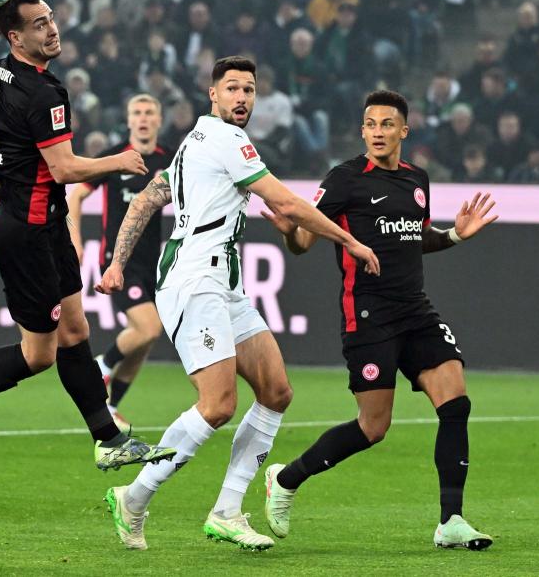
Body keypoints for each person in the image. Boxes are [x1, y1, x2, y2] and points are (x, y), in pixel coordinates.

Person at [95, 56, 380, 551]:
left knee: (276, 391)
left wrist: (118, 262)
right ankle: (134, 496)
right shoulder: (226, 140)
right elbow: (287, 204)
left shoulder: (192, 143)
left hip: (223, 284)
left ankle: (227, 510)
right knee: (218, 404)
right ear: (213, 95)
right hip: (194, 280)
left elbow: (145, 199)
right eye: (232, 89)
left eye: (250, 89)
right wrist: (349, 242)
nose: (242, 98)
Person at [0, 0, 175, 473]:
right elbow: (64, 168)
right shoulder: (43, 91)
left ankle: (108, 439)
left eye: (51, 19)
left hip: (40, 224)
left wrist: (6, 192)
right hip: (27, 236)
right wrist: (119, 160)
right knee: (38, 355)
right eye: (38, 24)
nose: (51, 29)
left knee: (77, 331)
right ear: (15, 36)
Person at [260, 90, 497, 551]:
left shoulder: (417, 179)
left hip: (416, 310)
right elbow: (304, 244)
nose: (378, 132)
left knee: (456, 402)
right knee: (373, 427)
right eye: (371, 124)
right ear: (363, 130)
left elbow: (413, 237)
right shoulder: (345, 180)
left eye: (388, 124)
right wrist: (291, 232)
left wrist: (453, 235)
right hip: (368, 315)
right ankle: (286, 479)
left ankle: (451, 520)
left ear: (404, 131)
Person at [67, 94, 169, 430]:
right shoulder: (114, 157)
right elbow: (76, 194)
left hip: (152, 262)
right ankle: (102, 367)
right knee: (148, 327)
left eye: (149, 112)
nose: (142, 118)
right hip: (119, 262)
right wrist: (76, 240)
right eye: (136, 112)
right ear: (128, 120)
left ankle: (110, 406)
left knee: (146, 339)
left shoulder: (169, 161)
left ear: (158, 120)